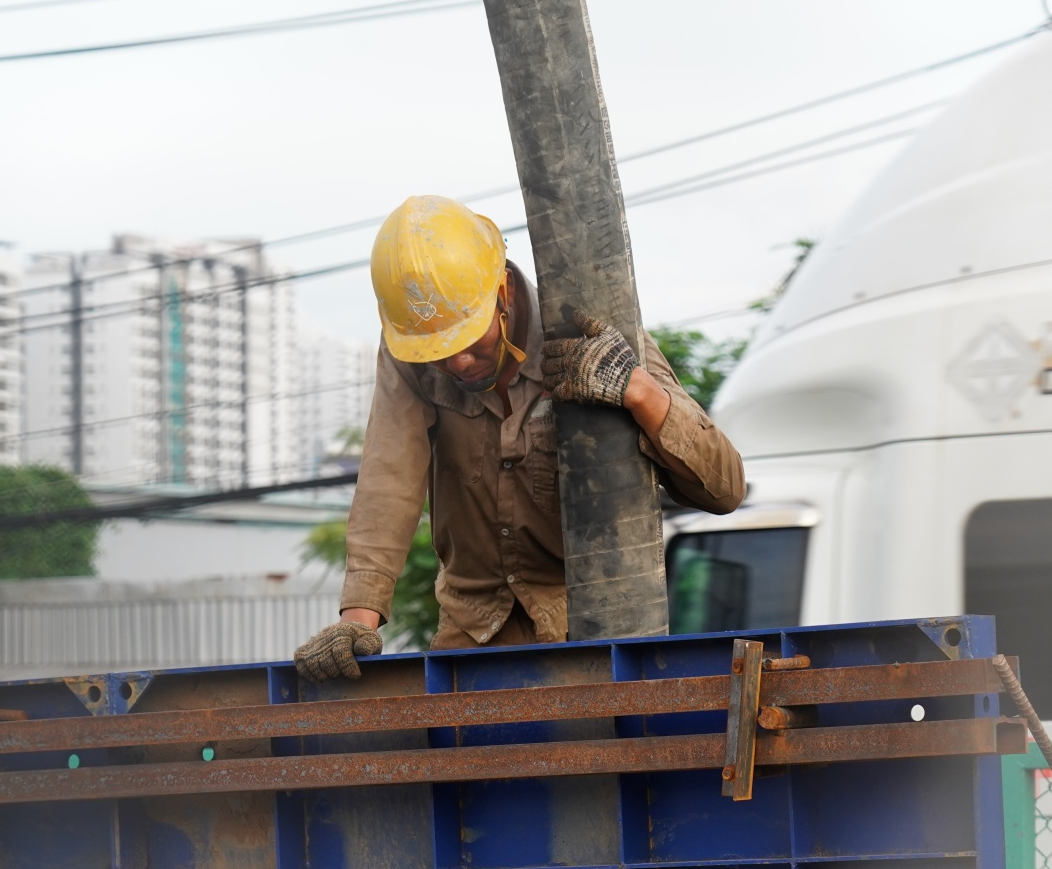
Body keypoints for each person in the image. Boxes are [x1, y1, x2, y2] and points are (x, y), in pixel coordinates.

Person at [293, 194, 744, 680]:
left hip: (594, 632)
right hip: (472, 632)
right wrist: (358, 619)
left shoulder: (587, 326)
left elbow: (726, 489)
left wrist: (639, 392)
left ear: (503, 292)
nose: (456, 363)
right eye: (438, 351)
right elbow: (389, 475)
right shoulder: (415, 344)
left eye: (467, 341)